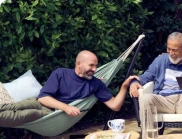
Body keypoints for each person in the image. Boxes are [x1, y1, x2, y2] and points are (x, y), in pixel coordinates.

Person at [0, 50, 138, 127]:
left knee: (25, 114)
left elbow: (115, 106)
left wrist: (124, 87)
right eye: (91, 65)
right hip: (41, 102)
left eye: (96, 66)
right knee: (10, 107)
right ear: (79, 63)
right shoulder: (60, 73)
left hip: (52, 115)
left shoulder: (96, 84)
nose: (95, 69)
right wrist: (66, 107)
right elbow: (43, 97)